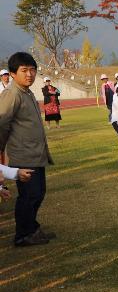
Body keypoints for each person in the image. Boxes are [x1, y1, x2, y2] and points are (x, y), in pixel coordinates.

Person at [0, 52, 54, 247]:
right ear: (13, 74)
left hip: (35, 153)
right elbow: (2, 123)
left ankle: (31, 228)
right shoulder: (12, 94)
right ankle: (23, 234)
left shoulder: (26, 92)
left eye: (32, 70)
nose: (29, 74)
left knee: (38, 193)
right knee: (29, 196)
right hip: (23, 155)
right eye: (24, 70)